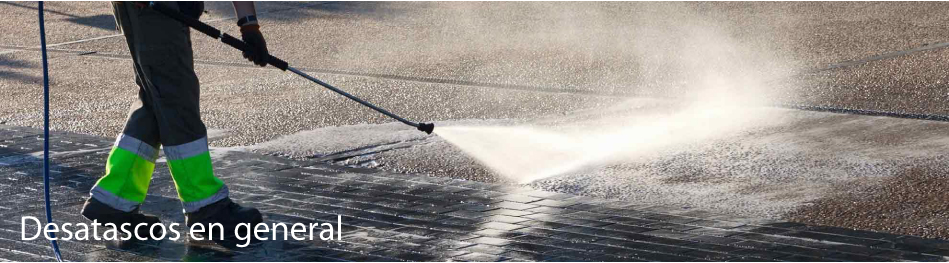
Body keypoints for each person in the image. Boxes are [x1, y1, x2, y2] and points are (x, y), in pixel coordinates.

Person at [80, 1, 271, 246]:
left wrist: (249, 26)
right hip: (153, 7)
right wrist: (248, 25)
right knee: (176, 96)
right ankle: (205, 207)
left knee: (157, 96)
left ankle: (114, 197)